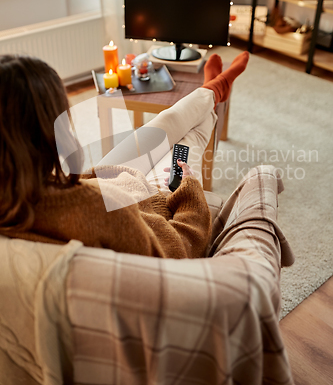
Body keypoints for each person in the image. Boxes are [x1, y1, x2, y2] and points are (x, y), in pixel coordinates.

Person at [0, 51, 249, 259]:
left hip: (102, 180)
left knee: (166, 122)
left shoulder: (13, 195)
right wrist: (189, 189)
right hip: (139, 196)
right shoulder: (94, 212)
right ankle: (216, 90)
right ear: (48, 133)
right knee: (188, 140)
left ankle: (213, 89)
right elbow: (181, 248)